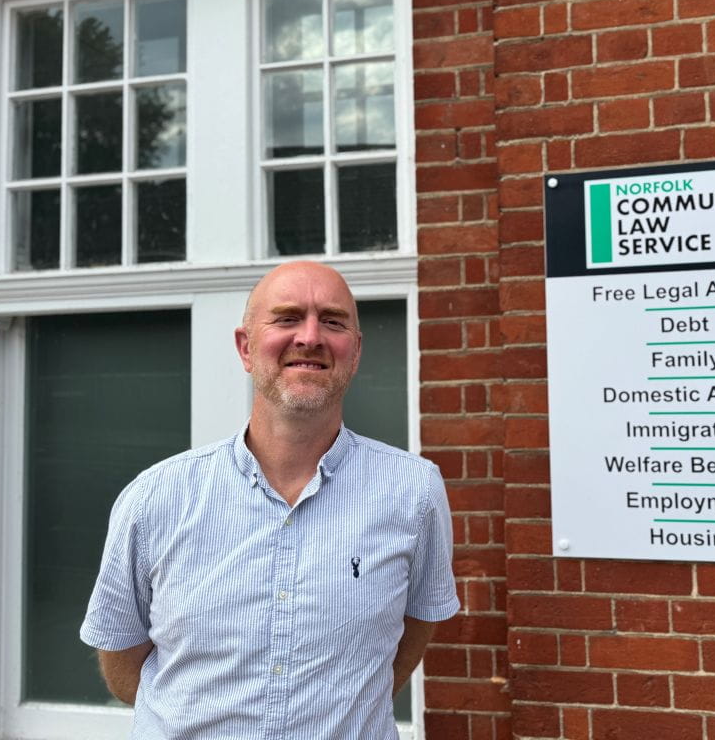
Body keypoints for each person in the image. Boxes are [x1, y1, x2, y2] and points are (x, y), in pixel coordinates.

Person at [80, 260, 460, 739]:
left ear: (355, 351)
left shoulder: (414, 492)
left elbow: (411, 633)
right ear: (245, 346)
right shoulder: (157, 498)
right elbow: (123, 667)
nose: (310, 337)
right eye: (286, 318)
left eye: (333, 321)